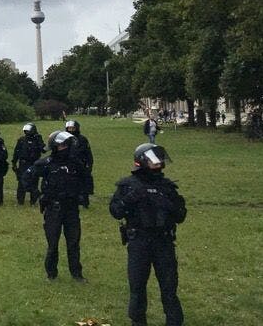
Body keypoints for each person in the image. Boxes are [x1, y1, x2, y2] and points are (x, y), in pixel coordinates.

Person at [110, 143, 186, 326]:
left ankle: (174, 321)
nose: (158, 163)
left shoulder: (167, 187)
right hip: (139, 242)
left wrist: (167, 204)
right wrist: (129, 199)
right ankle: (138, 321)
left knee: (169, 286)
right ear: (142, 161)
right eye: (154, 160)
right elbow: (115, 211)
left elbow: (181, 215)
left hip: (163, 241)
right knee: (137, 286)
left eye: (160, 160)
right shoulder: (127, 185)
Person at [22, 130, 91, 282]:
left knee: (73, 242)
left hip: (71, 208)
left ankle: (77, 273)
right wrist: (37, 194)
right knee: (53, 243)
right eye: (62, 146)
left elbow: (86, 178)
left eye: (67, 145)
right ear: (55, 147)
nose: (65, 148)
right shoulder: (46, 163)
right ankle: (51, 273)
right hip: (54, 208)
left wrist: (82, 195)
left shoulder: (75, 163)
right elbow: (27, 176)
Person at [12, 123, 46, 206]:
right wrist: (14, 162)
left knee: (34, 181)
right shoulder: (21, 140)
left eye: (29, 130)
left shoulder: (37, 139)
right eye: (26, 131)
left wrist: (39, 140)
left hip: (34, 163)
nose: (27, 132)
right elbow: (16, 152)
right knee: (21, 182)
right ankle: (20, 201)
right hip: (23, 163)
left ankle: (33, 201)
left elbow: (43, 150)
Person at [65, 120, 94, 208]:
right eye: (69, 128)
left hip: (81, 164)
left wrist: (89, 165)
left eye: (72, 128)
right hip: (69, 164)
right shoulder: (65, 139)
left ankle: (84, 202)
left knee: (83, 183)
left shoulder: (82, 139)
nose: (71, 130)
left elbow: (88, 153)